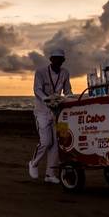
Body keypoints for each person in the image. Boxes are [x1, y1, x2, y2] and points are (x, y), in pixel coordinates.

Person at [28, 49, 72, 184]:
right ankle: (33, 163)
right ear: (51, 59)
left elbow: (68, 90)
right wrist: (46, 99)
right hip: (41, 111)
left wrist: (70, 99)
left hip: (56, 112)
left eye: (60, 59)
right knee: (46, 141)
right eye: (55, 58)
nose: (58, 61)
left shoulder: (65, 73)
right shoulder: (40, 72)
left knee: (55, 144)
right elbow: (37, 89)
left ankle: (50, 174)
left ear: (63, 61)